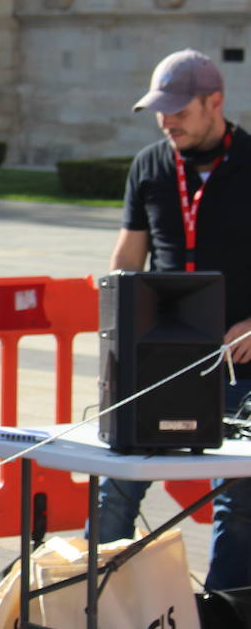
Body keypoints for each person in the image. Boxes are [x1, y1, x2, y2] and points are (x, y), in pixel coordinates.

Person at [98, 48, 251, 590]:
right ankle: (94, 603)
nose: (167, 123)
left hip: (239, 366)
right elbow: (125, 262)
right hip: (159, 362)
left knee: (239, 499)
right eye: (159, 112)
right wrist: (115, 344)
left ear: (216, 102)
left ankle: (226, 622)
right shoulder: (149, 166)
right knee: (115, 485)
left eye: (179, 112)